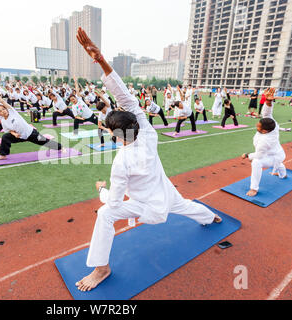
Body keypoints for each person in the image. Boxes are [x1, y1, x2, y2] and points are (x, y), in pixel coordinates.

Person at [74, 27, 222, 292]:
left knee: (106, 213)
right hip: (165, 191)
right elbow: (124, 97)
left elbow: (117, 201)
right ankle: (211, 218)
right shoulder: (146, 130)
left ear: (112, 133)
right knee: (186, 206)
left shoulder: (122, 161)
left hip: (147, 207)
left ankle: (101, 268)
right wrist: (100, 59)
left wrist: (102, 192)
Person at [241, 118, 286, 197]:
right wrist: (268, 105)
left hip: (274, 156)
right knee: (277, 163)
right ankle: (283, 175)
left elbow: (259, 155)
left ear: (264, 131)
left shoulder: (264, 141)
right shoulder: (274, 127)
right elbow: (268, 114)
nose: (256, 125)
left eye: (258, 126)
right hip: (277, 153)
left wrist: (248, 156)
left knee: (256, 162)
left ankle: (254, 188)